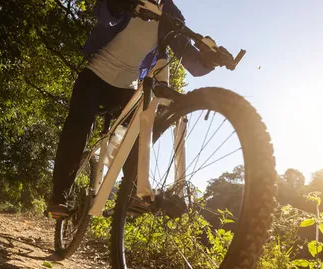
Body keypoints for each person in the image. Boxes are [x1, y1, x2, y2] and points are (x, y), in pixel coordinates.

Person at [47, 0, 223, 218]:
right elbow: (103, 13)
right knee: (79, 127)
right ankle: (59, 195)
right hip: (94, 76)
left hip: (128, 85)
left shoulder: (170, 12)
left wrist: (210, 60)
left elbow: (190, 58)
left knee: (138, 135)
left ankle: (131, 195)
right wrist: (119, 5)